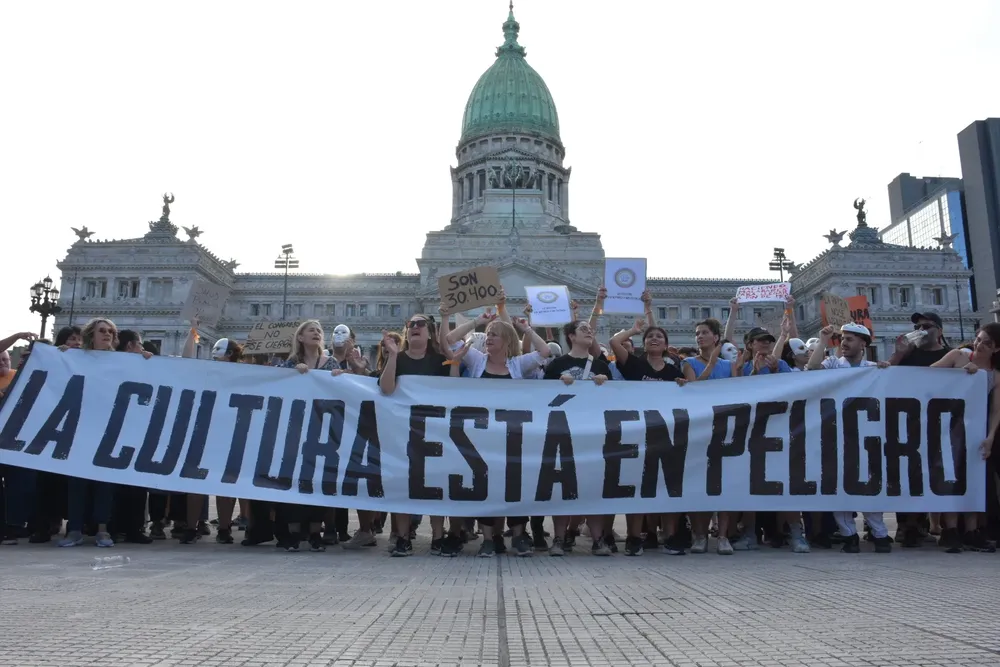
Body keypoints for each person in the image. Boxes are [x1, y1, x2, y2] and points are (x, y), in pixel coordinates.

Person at [806, 323, 891, 554]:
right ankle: (848, 536)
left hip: (866, 436)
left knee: (869, 485)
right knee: (840, 486)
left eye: (850, 339)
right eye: (842, 338)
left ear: (863, 344)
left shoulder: (873, 368)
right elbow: (811, 370)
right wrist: (823, 340)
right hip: (837, 435)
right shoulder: (833, 364)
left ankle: (880, 533)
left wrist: (887, 369)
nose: (844, 343)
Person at [379, 314, 455, 557]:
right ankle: (402, 538)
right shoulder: (398, 358)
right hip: (403, 430)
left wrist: (454, 362)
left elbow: (454, 391)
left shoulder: (439, 361)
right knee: (403, 484)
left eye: (421, 324)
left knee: (436, 484)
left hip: (435, 429)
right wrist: (391, 355)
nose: (415, 327)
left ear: (429, 333)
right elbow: (386, 388)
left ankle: (437, 536)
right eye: (410, 324)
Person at [609, 318, 686, 556]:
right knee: (637, 487)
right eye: (649, 337)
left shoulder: (674, 372)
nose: (654, 339)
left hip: (666, 436)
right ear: (643, 343)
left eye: (659, 337)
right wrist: (633, 329)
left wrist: (684, 386)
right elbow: (614, 341)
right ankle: (634, 537)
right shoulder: (634, 365)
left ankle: (671, 536)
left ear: (666, 345)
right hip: (636, 434)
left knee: (668, 486)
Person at [930, 323, 1000, 553]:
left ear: (996, 349)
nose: (979, 345)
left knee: (975, 479)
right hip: (948, 428)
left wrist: (990, 437)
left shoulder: (995, 374)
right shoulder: (958, 356)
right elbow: (926, 375)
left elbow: (995, 411)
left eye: (987, 343)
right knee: (952, 476)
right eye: (978, 339)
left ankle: (971, 531)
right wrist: (957, 375)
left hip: (976, 431)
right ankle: (950, 530)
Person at [890, 311, 951, 547]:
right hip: (908, 425)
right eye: (917, 326)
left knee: (931, 475)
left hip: (938, 426)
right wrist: (899, 353)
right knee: (906, 475)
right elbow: (887, 373)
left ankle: (924, 524)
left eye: (927, 326)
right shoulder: (908, 356)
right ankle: (905, 525)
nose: (921, 329)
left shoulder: (949, 356)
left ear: (940, 331)